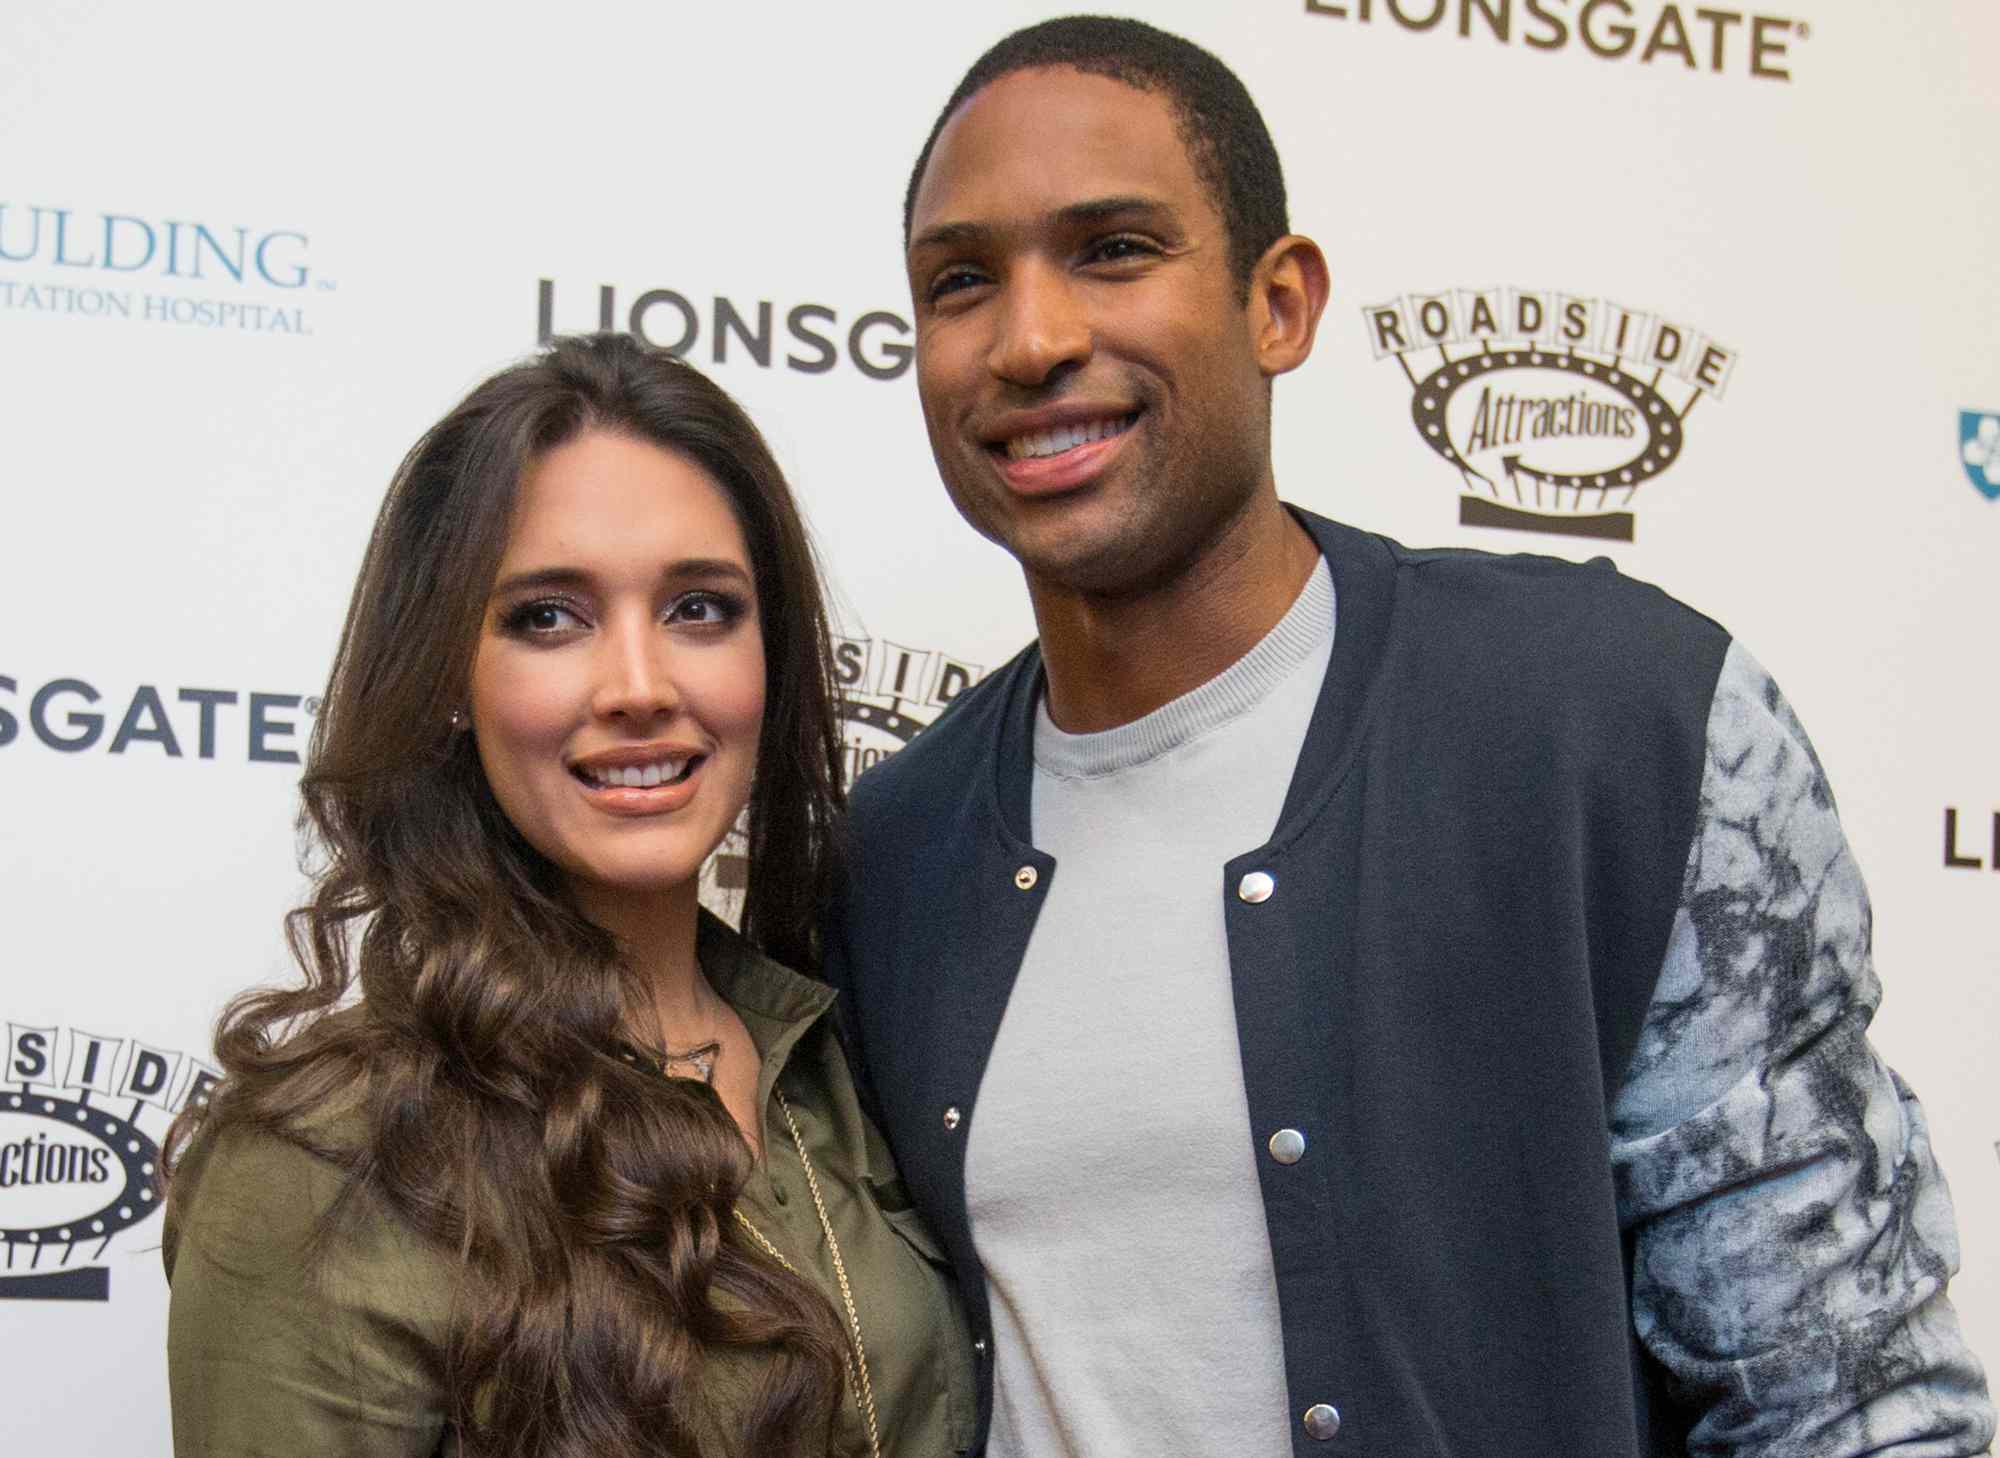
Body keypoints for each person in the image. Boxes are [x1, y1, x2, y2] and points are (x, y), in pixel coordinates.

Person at [825, 16, 1995, 1458]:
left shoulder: (1611, 722)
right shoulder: (893, 854)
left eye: (1115, 250)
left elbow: (1848, 1403)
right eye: (961, 282)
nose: (1035, 336)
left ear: (1282, 304)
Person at [163, 333, 975, 1458]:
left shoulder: (841, 1067)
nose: (638, 687)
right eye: (549, 616)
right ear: (449, 677)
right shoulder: (325, 1161)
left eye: (700, 609)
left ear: (770, 660)